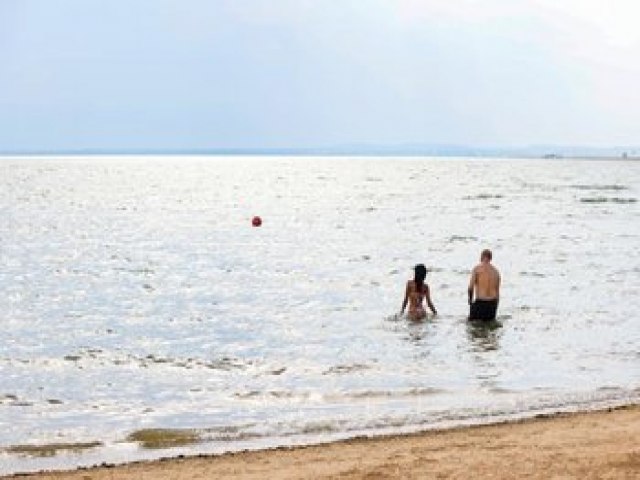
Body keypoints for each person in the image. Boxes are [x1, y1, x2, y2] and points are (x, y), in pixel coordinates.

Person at [468, 249, 501, 320]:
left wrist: (470, 301)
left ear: (482, 257)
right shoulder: (496, 272)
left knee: (471, 325)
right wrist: (495, 308)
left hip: (480, 302)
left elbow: (470, 287)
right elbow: (497, 293)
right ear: (490, 258)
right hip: (492, 303)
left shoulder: (477, 269)